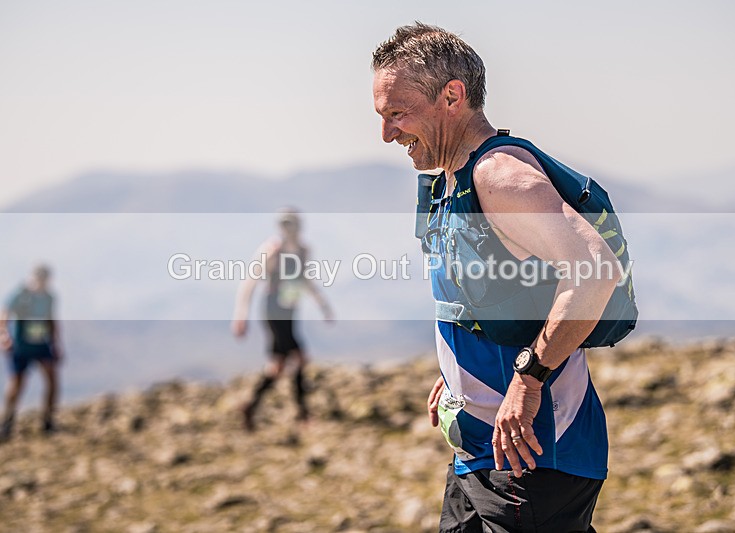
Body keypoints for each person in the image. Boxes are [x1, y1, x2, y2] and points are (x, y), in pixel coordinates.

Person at [372, 24, 623, 532]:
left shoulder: (500, 176)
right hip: (483, 457)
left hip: (533, 457)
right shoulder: (452, 181)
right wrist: (455, 372)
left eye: (398, 113)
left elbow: (595, 272)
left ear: (452, 96)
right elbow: (494, 295)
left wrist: (528, 379)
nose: (387, 133)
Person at [231, 209, 333, 429]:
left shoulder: (303, 251)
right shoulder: (271, 250)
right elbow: (250, 281)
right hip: (273, 310)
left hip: (290, 312)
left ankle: (250, 406)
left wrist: (323, 305)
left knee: (277, 366)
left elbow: (305, 279)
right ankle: (303, 415)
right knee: (299, 357)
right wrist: (241, 314)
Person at [1, 264, 63, 442]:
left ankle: (48, 421)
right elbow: (4, 314)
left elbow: (52, 320)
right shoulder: (20, 294)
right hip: (21, 345)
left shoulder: (49, 298)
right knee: (18, 382)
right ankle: (7, 422)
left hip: (41, 344)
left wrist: (56, 343)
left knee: (52, 378)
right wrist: (4, 335)